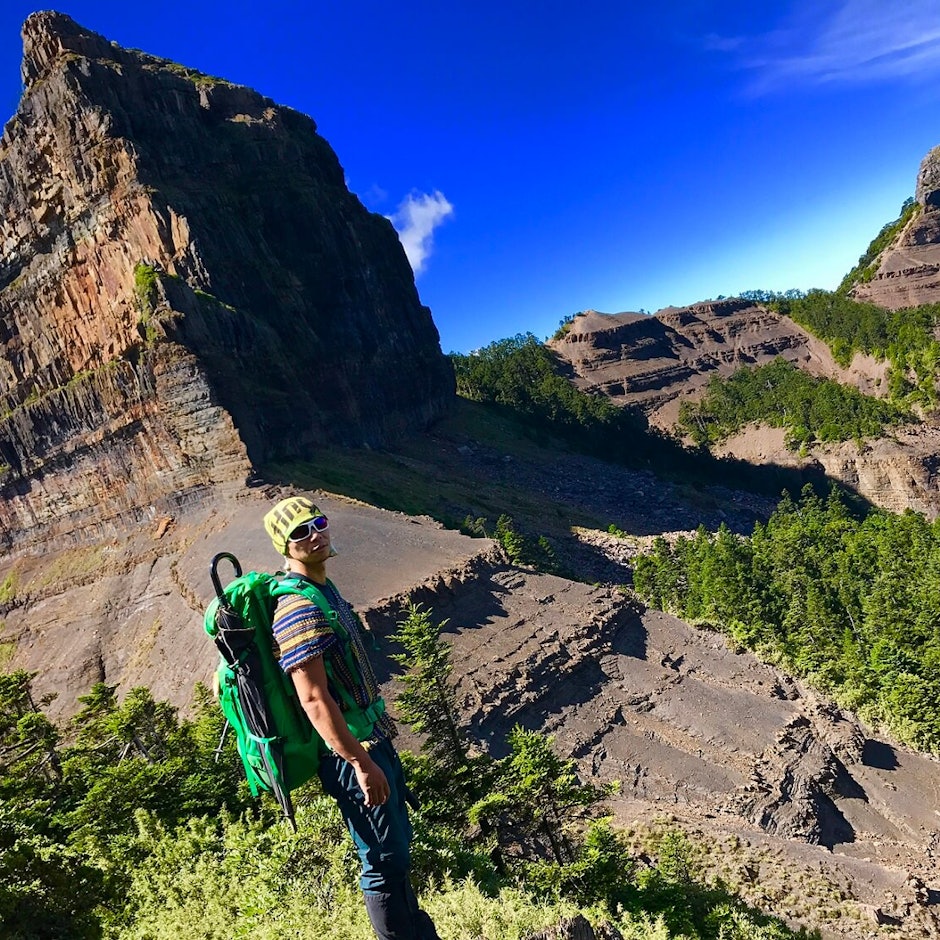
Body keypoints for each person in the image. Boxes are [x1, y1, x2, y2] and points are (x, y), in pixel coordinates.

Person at [263, 496, 440, 940]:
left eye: (317, 523)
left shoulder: (323, 590)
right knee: (381, 860)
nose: (314, 535)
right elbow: (314, 699)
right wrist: (360, 763)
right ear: (283, 545)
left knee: (397, 851)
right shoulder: (297, 608)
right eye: (299, 532)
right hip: (352, 755)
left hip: (374, 739)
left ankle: (415, 930)